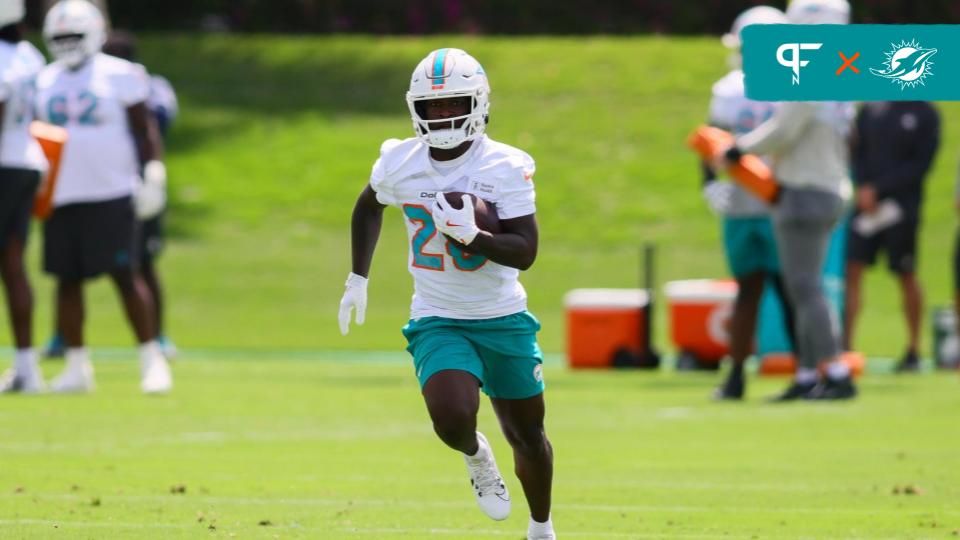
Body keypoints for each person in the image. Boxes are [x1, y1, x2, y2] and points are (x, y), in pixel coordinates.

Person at [338, 48, 556, 540]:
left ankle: (541, 527)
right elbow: (367, 208)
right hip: (439, 315)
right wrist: (358, 278)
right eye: (432, 106)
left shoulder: (505, 165)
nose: (442, 115)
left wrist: (473, 236)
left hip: (502, 317)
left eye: (452, 103)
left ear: (477, 103)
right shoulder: (399, 161)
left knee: (527, 434)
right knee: (451, 418)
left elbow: (525, 251)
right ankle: (477, 455)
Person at [718, 0, 856, 400]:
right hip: (826, 185)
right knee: (804, 286)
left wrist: (738, 149)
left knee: (805, 287)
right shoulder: (841, 71)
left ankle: (835, 370)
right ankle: (808, 374)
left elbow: (784, 129)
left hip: (804, 189)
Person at [34, 0, 171, 393]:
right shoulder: (43, 81)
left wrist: (153, 173)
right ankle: (77, 366)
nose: (67, 43)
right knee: (66, 280)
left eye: (74, 36)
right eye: (60, 37)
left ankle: (151, 359)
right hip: (61, 194)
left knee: (125, 275)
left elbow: (144, 131)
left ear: (94, 34)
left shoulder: (121, 75)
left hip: (111, 191)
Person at [703, 5, 798, 400]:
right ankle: (742, 373)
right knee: (755, 289)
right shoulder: (735, 88)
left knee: (782, 289)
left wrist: (710, 180)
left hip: (776, 200)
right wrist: (709, 183)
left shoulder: (787, 85)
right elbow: (711, 141)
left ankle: (805, 371)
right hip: (751, 201)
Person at [843, 101, 940, 372]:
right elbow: (856, 152)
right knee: (852, 269)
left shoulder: (925, 113)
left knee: (905, 273)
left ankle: (913, 349)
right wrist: (863, 187)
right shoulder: (872, 108)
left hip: (902, 207)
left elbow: (920, 164)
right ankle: (846, 346)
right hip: (866, 206)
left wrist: (881, 188)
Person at [0, 0, 47, 393]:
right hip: (28, 161)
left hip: (2, 163)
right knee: (13, 265)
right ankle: (27, 366)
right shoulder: (30, 54)